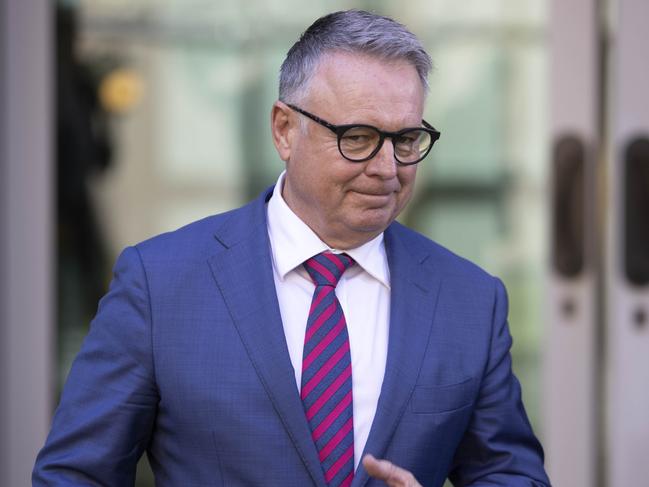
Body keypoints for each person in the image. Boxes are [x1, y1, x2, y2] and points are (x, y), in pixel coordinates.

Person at [34, 10, 550, 487]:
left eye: (407, 139)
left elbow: (512, 476)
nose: (388, 168)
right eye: (359, 137)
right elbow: (76, 475)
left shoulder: (469, 302)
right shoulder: (161, 284)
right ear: (285, 130)